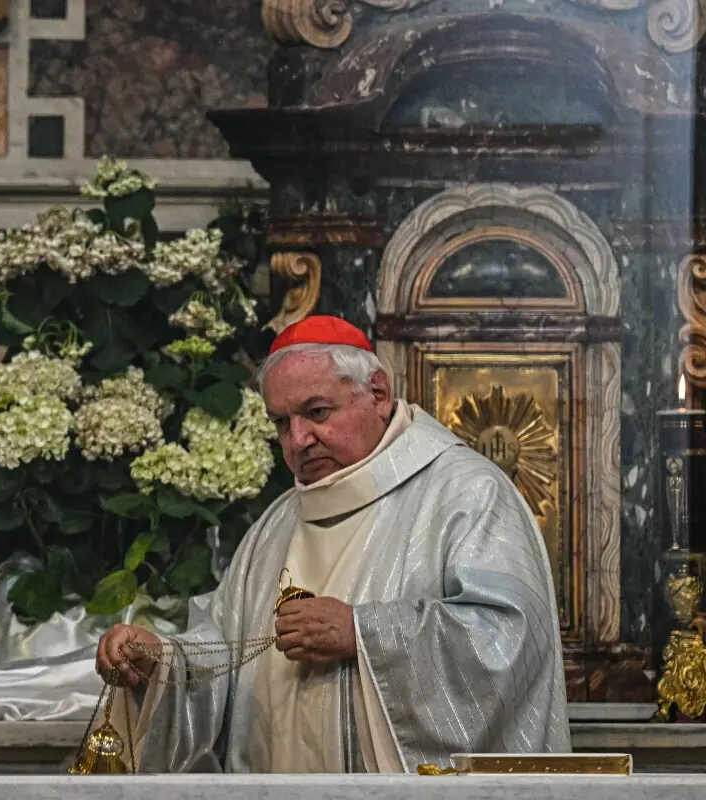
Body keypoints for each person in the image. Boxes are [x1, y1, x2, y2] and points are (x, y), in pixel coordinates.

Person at [95, 315, 570, 773]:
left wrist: (363, 633)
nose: (298, 440)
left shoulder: (465, 493)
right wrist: (161, 661)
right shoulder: (277, 522)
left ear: (378, 394)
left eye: (316, 412)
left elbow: (508, 638)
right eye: (281, 423)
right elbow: (227, 649)